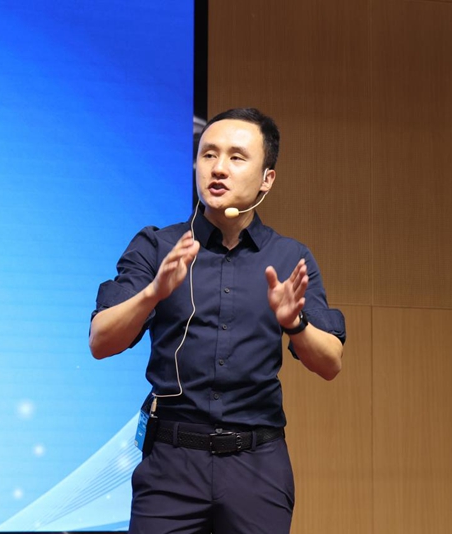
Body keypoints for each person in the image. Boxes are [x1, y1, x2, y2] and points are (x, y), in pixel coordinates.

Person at [89, 107, 346, 534]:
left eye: (236, 157)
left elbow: (331, 363)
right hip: (170, 463)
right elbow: (100, 341)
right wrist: (154, 292)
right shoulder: (158, 246)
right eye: (208, 154)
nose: (219, 168)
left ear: (267, 178)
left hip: (256, 464)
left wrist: (294, 324)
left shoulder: (289, 257)